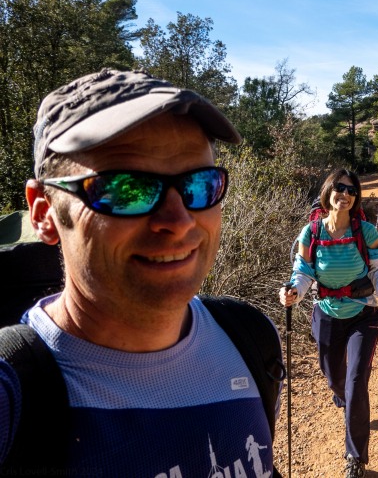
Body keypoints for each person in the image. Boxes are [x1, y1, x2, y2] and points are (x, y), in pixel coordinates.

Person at [0, 69, 284, 476]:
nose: (179, 221)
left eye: (200, 185)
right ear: (44, 212)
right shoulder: (13, 398)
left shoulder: (251, 339)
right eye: (125, 189)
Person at [279, 169, 378, 478]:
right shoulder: (311, 233)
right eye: (339, 188)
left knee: (356, 381)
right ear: (328, 192)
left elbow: (377, 270)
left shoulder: (367, 232)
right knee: (335, 378)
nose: (344, 194)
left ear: (355, 198)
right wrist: (293, 293)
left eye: (351, 190)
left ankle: (355, 457)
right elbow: (302, 273)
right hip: (326, 313)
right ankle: (344, 397)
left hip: (363, 314)